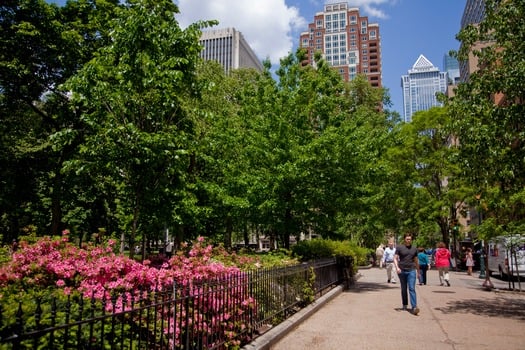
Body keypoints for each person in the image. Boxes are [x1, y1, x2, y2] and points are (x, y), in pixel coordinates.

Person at [393, 233, 420, 315]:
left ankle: (414, 307)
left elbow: (416, 260)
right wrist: (397, 267)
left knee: (412, 288)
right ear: (404, 239)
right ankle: (405, 304)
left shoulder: (414, 249)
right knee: (404, 288)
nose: (409, 240)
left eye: (410, 239)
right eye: (407, 239)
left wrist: (418, 271)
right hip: (402, 270)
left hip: (411, 270)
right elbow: (395, 258)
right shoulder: (399, 247)